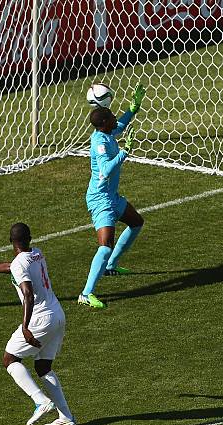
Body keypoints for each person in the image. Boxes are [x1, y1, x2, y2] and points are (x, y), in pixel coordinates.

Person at [0, 223, 75, 425]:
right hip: (57, 315)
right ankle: (66, 417)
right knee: (43, 367)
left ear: (10, 241)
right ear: (29, 238)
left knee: (10, 359)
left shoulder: (19, 264)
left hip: (40, 319)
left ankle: (40, 401)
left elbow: (28, 294)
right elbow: (12, 267)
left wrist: (25, 327)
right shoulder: (37, 253)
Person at [79, 84, 146, 309]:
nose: (115, 117)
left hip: (112, 196)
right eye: (111, 116)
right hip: (101, 200)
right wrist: (125, 152)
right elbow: (106, 169)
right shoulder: (99, 142)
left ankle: (111, 266)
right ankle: (86, 294)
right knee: (105, 246)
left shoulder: (107, 132)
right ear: (104, 123)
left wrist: (134, 107)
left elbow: (122, 124)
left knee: (136, 222)